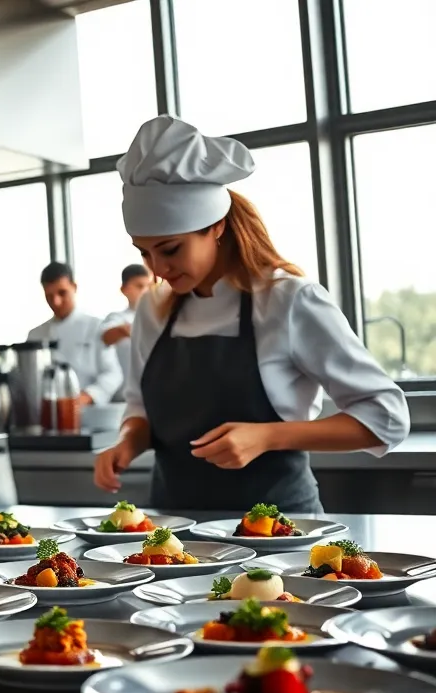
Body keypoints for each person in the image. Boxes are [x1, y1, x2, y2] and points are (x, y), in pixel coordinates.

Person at [94, 115, 410, 511]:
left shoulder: (289, 300)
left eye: (171, 249)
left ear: (216, 227)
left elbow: (387, 417)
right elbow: (139, 407)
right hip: (177, 542)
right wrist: (127, 442)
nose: (157, 269)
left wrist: (268, 436)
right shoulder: (153, 310)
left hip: (279, 538)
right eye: (145, 252)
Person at [26, 262, 124, 405]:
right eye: (49, 296)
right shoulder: (35, 335)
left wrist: (85, 397)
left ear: (74, 287)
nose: (56, 302)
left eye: (62, 293)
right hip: (48, 412)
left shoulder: (96, 327)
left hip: (89, 413)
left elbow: (113, 374)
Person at [100, 263, 154, 400]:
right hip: (123, 400)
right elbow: (106, 337)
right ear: (124, 289)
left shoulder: (159, 317)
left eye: (148, 286)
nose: (146, 291)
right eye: (140, 286)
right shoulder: (116, 318)